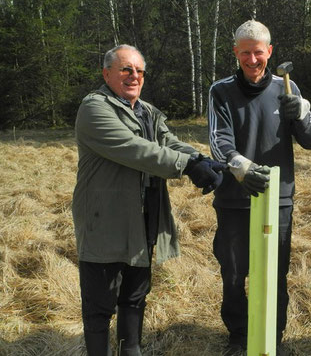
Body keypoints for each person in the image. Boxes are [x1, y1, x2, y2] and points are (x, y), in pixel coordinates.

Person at [72, 44, 226, 356]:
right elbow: (134, 149)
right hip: (105, 222)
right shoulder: (95, 108)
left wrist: (200, 159)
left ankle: (132, 350)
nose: (134, 76)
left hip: (143, 218)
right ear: (106, 73)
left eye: (139, 71)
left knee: (135, 295)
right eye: (126, 69)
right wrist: (188, 166)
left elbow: (168, 142)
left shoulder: (147, 111)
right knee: (100, 305)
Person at [208, 20, 311, 355]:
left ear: (269, 51)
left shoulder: (287, 88)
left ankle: (274, 334)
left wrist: (301, 113)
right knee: (233, 272)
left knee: (275, 272)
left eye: (258, 52)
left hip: (278, 199)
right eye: (245, 53)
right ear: (235, 53)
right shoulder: (221, 91)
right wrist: (240, 167)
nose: (252, 59)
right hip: (234, 199)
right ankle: (239, 337)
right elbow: (218, 141)